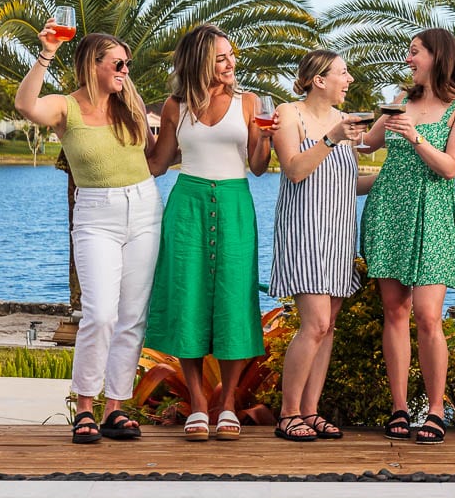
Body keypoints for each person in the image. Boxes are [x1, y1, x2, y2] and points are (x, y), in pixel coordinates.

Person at [14, 26, 160, 444]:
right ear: (93, 64)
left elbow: (155, 157)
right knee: (100, 314)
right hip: (96, 214)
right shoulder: (66, 108)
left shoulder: (130, 108)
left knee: (132, 316)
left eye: (127, 64)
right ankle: (84, 408)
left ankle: (115, 408)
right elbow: (25, 105)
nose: (125, 70)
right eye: (118, 63)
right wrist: (46, 54)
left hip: (145, 208)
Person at [145, 23, 274, 442]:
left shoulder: (248, 102)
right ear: (200, 62)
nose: (231, 62)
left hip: (235, 204)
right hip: (188, 207)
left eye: (231, 54)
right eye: (221, 57)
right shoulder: (174, 106)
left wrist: (266, 139)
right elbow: (158, 163)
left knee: (236, 299)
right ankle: (199, 405)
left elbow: (256, 166)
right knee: (187, 298)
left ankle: (229, 403)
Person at [359, 28, 455, 444]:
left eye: (415, 52)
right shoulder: (401, 102)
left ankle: (434, 409)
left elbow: (449, 167)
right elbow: (366, 143)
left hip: (431, 215)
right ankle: (397, 408)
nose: (408, 59)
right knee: (394, 311)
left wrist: (413, 137)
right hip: (389, 211)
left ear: (437, 56)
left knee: (428, 316)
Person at [268, 50, 369, 442]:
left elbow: (345, 182)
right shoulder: (289, 113)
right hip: (304, 231)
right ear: (319, 79)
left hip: (340, 234)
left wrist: (391, 178)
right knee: (315, 324)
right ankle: (287, 413)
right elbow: (294, 170)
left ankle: (310, 411)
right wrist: (332, 138)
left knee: (328, 329)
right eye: (343, 73)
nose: (350, 80)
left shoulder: (345, 123)